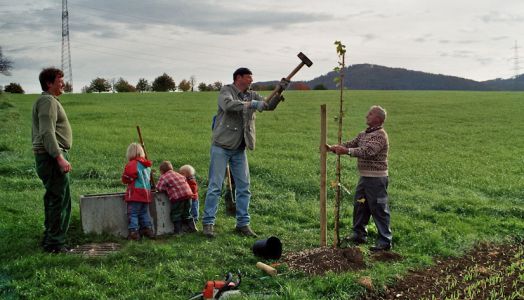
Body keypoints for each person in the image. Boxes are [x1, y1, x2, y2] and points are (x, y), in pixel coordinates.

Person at [202, 67, 289, 238]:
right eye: (248, 77)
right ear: (238, 78)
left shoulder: (251, 94)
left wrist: (279, 91)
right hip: (221, 145)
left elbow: (267, 105)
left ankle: (242, 224)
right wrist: (251, 105)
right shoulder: (226, 91)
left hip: (240, 148)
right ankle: (208, 223)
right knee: (215, 186)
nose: (251, 80)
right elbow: (228, 105)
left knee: (244, 187)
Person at [328, 105, 392, 251]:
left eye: (370, 114)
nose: (366, 116)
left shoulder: (380, 135)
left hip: (376, 179)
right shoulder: (364, 134)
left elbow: (368, 151)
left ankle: (385, 240)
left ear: (378, 118)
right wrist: (336, 147)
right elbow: (352, 143)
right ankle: (359, 234)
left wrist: (346, 151)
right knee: (360, 205)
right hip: (365, 178)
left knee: (379, 208)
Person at [32, 67, 73, 253]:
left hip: (49, 157)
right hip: (51, 158)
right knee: (59, 199)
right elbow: (47, 132)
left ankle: (51, 238)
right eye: (59, 80)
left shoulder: (48, 101)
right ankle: (55, 244)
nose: (63, 83)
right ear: (49, 83)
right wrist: (59, 158)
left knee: (53, 197)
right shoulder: (47, 101)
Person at [122, 143, 155, 240]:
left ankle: (134, 232)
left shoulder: (133, 164)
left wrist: (125, 179)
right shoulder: (146, 165)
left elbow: (127, 177)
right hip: (146, 193)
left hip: (135, 193)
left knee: (133, 213)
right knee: (144, 212)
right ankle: (147, 229)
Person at [156, 161, 197, 235]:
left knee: (176, 214)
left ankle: (178, 231)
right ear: (171, 168)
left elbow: (159, 188)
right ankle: (192, 228)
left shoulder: (164, 177)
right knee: (187, 213)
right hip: (189, 195)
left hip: (178, 198)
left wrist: (166, 189)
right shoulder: (179, 174)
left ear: (162, 171)